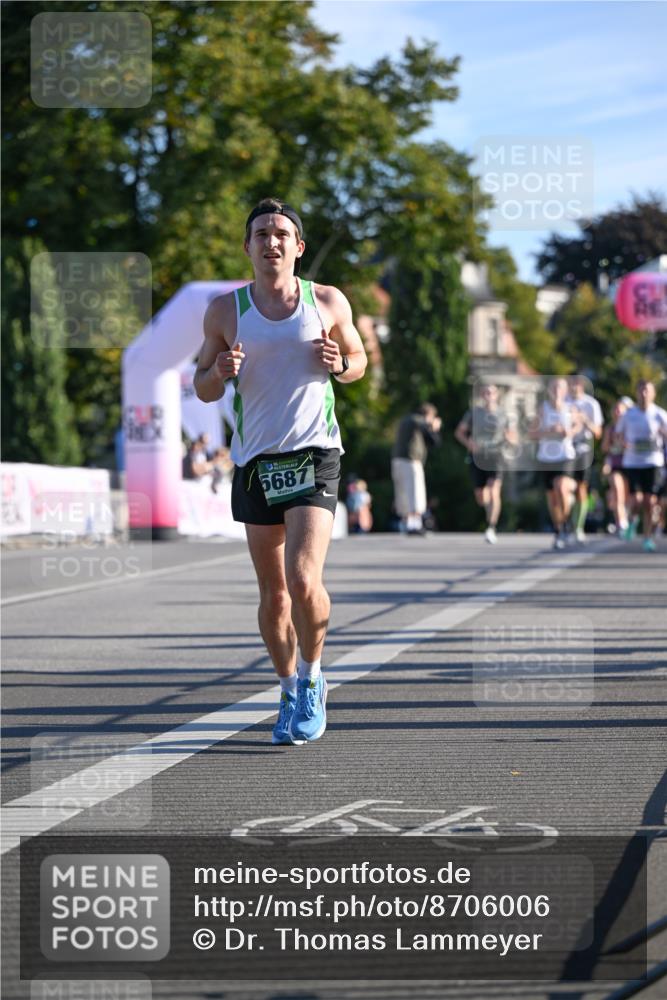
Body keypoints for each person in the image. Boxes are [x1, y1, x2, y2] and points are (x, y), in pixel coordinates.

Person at [194, 197, 367, 744]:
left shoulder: (327, 301)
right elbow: (201, 385)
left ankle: (313, 678)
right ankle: (289, 688)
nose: (271, 241)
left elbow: (360, 362)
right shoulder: (225, 311)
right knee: (274, 595)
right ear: (248, 246)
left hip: (315, 453)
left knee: (303, 579)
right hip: (255, 462)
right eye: (261, 233)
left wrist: (342, 364)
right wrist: (219, 372)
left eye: (281, 233)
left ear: (298, 247)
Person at [454, 383, 514, 543]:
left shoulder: (504, 414)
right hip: (478, 456)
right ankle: (489, 516)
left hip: (496, 455)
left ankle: (491, 527)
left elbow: (513, 436)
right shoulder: (474, 413)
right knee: (481, 496)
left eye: (492, 392)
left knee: (494, 490)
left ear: (496, 395)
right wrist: (469, 444)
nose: (489, 395)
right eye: (486, 392)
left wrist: (510, 439)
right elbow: (459, 432)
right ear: (482, 395)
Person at [529, 377, 582, 550]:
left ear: (565, 391)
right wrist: (548, 431)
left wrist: (568, 432)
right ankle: (559, 529)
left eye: (560, 388)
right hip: (546, 457)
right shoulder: (542, 409)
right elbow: (532, 434)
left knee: (560, 486)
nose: (556, 391)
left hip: (565, 455)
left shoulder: (570, 408)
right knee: (552, 498)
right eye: (553, 387)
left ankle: (566, 521)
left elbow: (578, 426)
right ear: (549, 390)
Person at [616, 379, 667, 552]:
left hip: (653, 461)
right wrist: (623, 444)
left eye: (647, 391)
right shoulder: (628, 415)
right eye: (641, 391)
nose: (644, 394)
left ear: (653, 394)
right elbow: (618, 435)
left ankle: (647, 537)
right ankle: (632, 520)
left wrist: (663, 434)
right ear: (636, 393)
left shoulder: (660, 414)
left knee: (650, 502)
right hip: (632, 462)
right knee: (637, 500)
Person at [391, 403, 441, 535]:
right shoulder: (419, 421)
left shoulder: (406, 420)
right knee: (415, 492)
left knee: (402, 493)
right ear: (429, 415)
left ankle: (407, 523)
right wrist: (434, 428)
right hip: (411, 461)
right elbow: (434, 441)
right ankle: (415, 524)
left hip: (397, 460)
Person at [567, 376, 604, 543]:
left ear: (581, 385)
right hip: (565, 449)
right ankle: (566, 523)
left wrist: (584, 419)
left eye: (576, 384)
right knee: (565, 487)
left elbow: (598, 432)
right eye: (571, 384)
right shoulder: (563, 402)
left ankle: (578, 526)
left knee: (581, 488)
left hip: (584, 449)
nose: (573, 387)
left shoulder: (591, 404)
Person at [601, 398, 629, 534]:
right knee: (617, 491)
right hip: (615, 465)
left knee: (628, 497)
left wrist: (625, 444)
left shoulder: (631, 427)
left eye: (620, 410)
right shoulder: (610, 428)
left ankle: (628, 519)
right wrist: (612, 442)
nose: (618, 412)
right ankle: (621, 523)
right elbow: (605, 448)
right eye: (615, 410)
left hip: (630, 465)